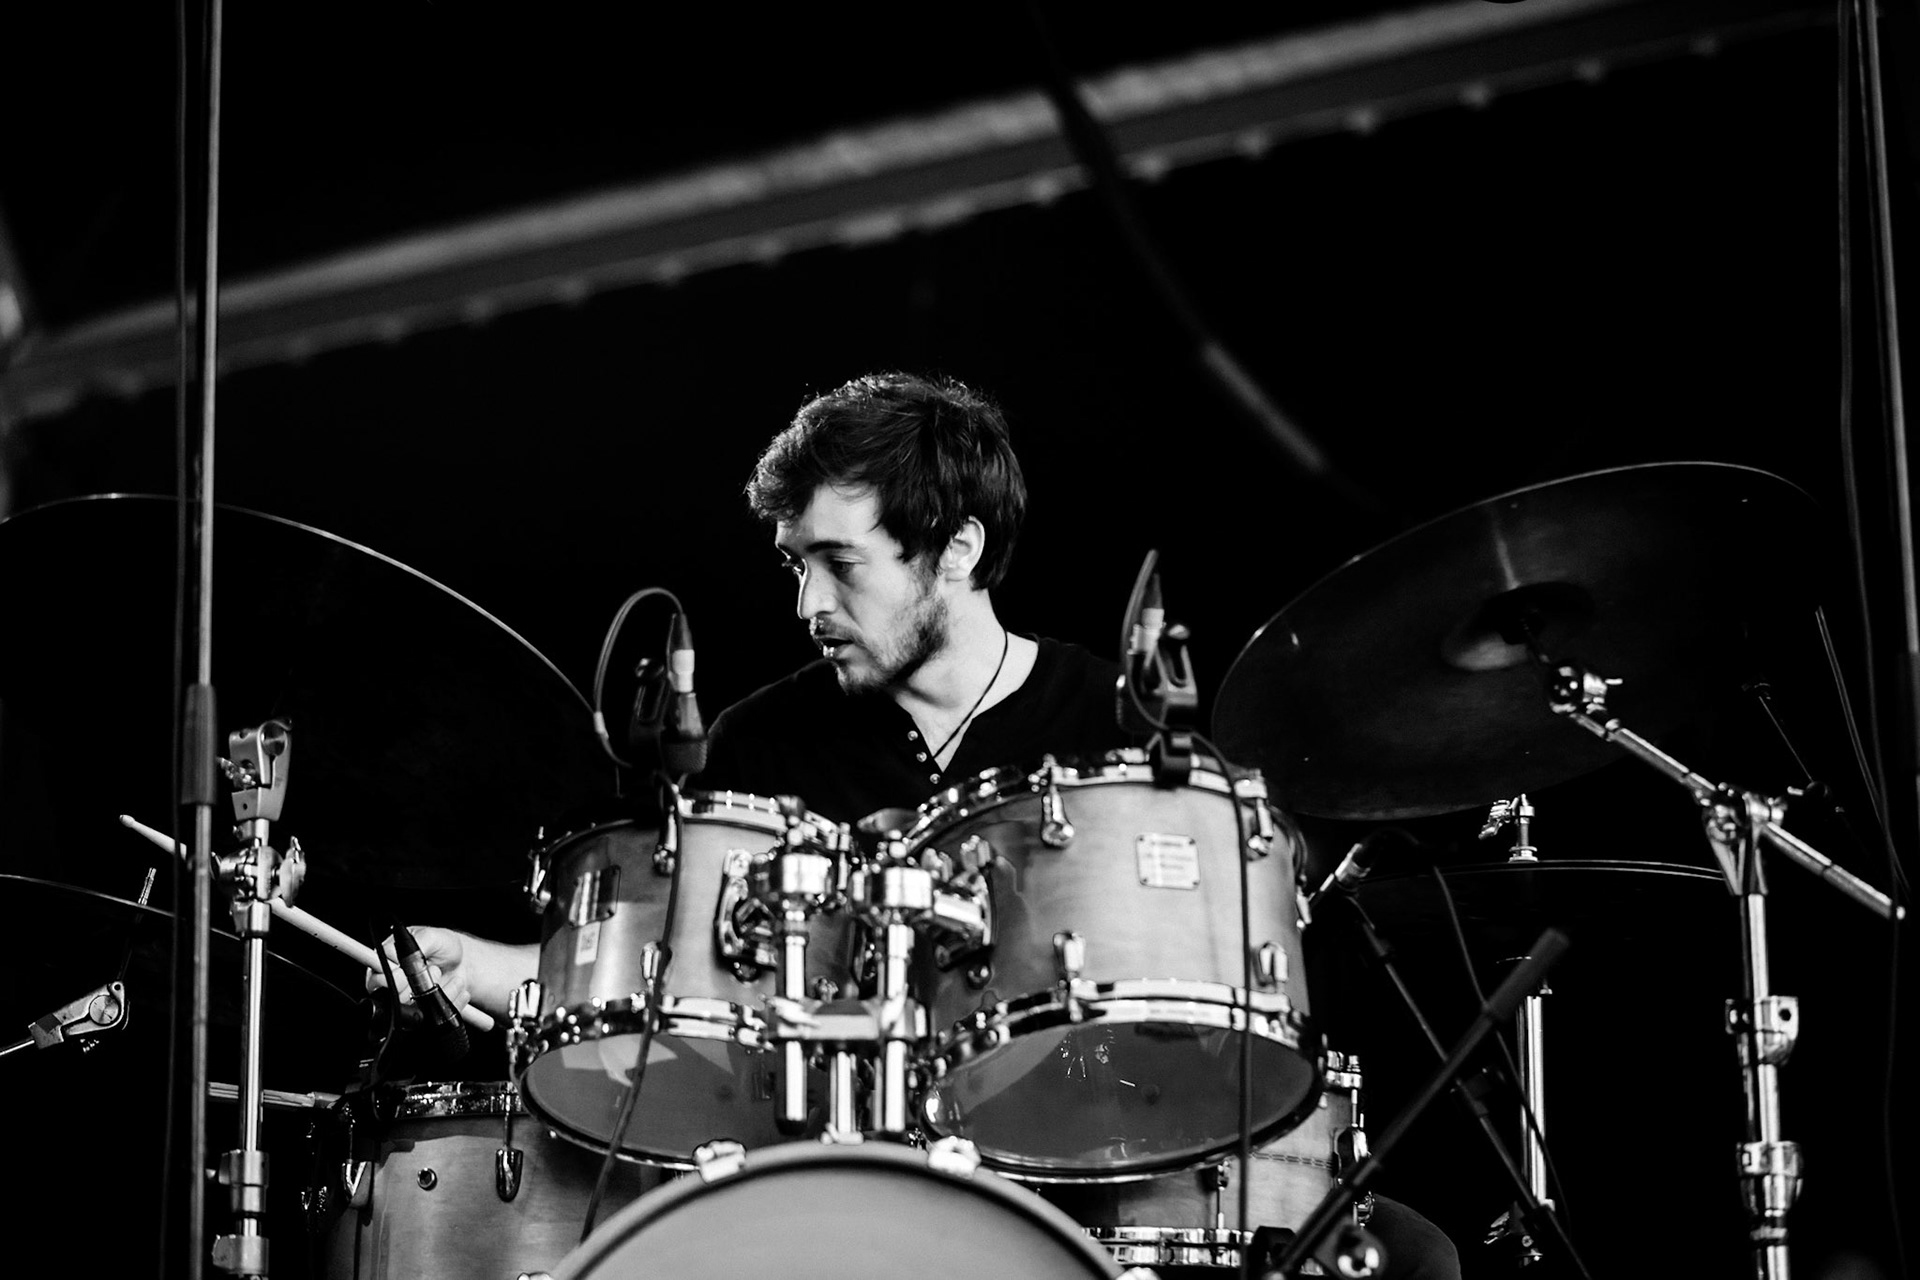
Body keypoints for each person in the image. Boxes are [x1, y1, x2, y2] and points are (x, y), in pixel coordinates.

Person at [380, 370, 1460, 1279]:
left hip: (1103, 1169)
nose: (807, 605)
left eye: (839, 563)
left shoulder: (1117, 730)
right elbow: (649, 983)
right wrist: (480, 964)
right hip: (838, 1193)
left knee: (1415, 1255)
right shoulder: (760, 748)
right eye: (796, 563)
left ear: (956, 549)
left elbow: (1240, 971)